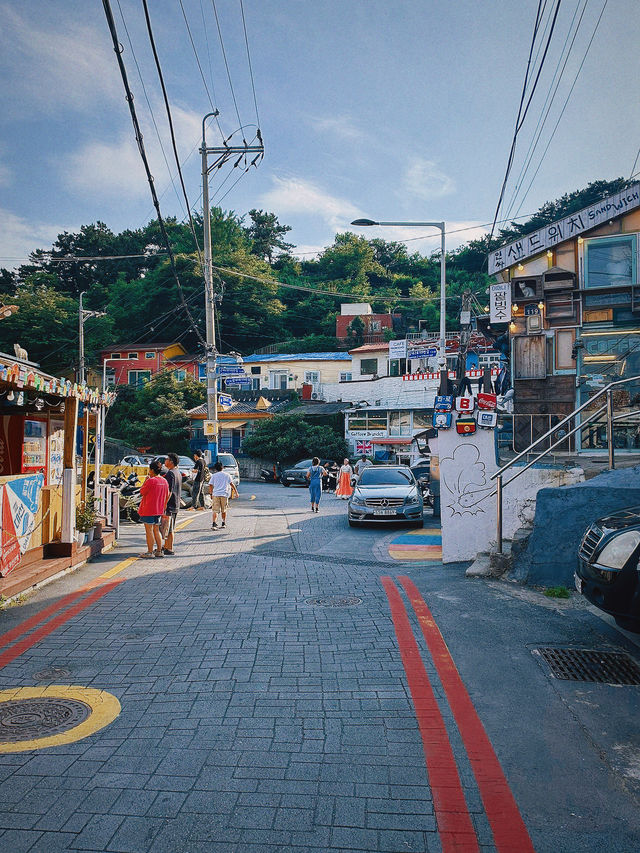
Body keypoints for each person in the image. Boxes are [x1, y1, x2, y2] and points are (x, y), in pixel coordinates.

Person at [138, 459, 169, 558]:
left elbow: (142, 492)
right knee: (156, 530)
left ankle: (150, 552)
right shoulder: (164, 481)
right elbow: (167, 494)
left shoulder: (151, 481)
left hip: (148, 509)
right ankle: (159, 551)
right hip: (159, 510)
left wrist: (146, 481)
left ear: (151, 470)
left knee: (149, 530)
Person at [162, 453, 182, 555]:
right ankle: (167, 546)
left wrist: (165, 503)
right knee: (171, 526)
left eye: (166, 459)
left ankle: (169, 548)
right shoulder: (177, 472)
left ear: (171, 462)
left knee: (168, 527)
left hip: (170, 503)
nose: (165, 461)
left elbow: (169, 491)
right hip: (176, 502)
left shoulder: (170, 474)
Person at [210, 460, 239, 529]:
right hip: (224, 495)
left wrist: (211, 494)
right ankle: (223, 523)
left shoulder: (214, 476)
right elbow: (232, 484)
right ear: (222, 468)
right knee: (224, 510)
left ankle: (214, 523)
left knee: (215, 510)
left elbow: (210, 485)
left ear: (215, 468)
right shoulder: (227, 475)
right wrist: (236, 492)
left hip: (216, 494)